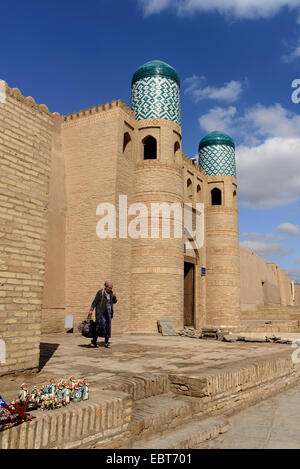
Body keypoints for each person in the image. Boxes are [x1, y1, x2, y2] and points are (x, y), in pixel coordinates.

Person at [89, 280, 117, 348]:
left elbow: (114, 302)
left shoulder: (111, 293)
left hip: (108, 313)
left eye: (111, 288)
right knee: (99, 327)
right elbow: (94, 302)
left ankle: (106, 342)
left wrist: (114, 297)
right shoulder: (100, 293)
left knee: (108, 328)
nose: (110, 289)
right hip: (100, 313)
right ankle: (94, 341)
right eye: (109, 288)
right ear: (106, 287)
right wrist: (91, 309)